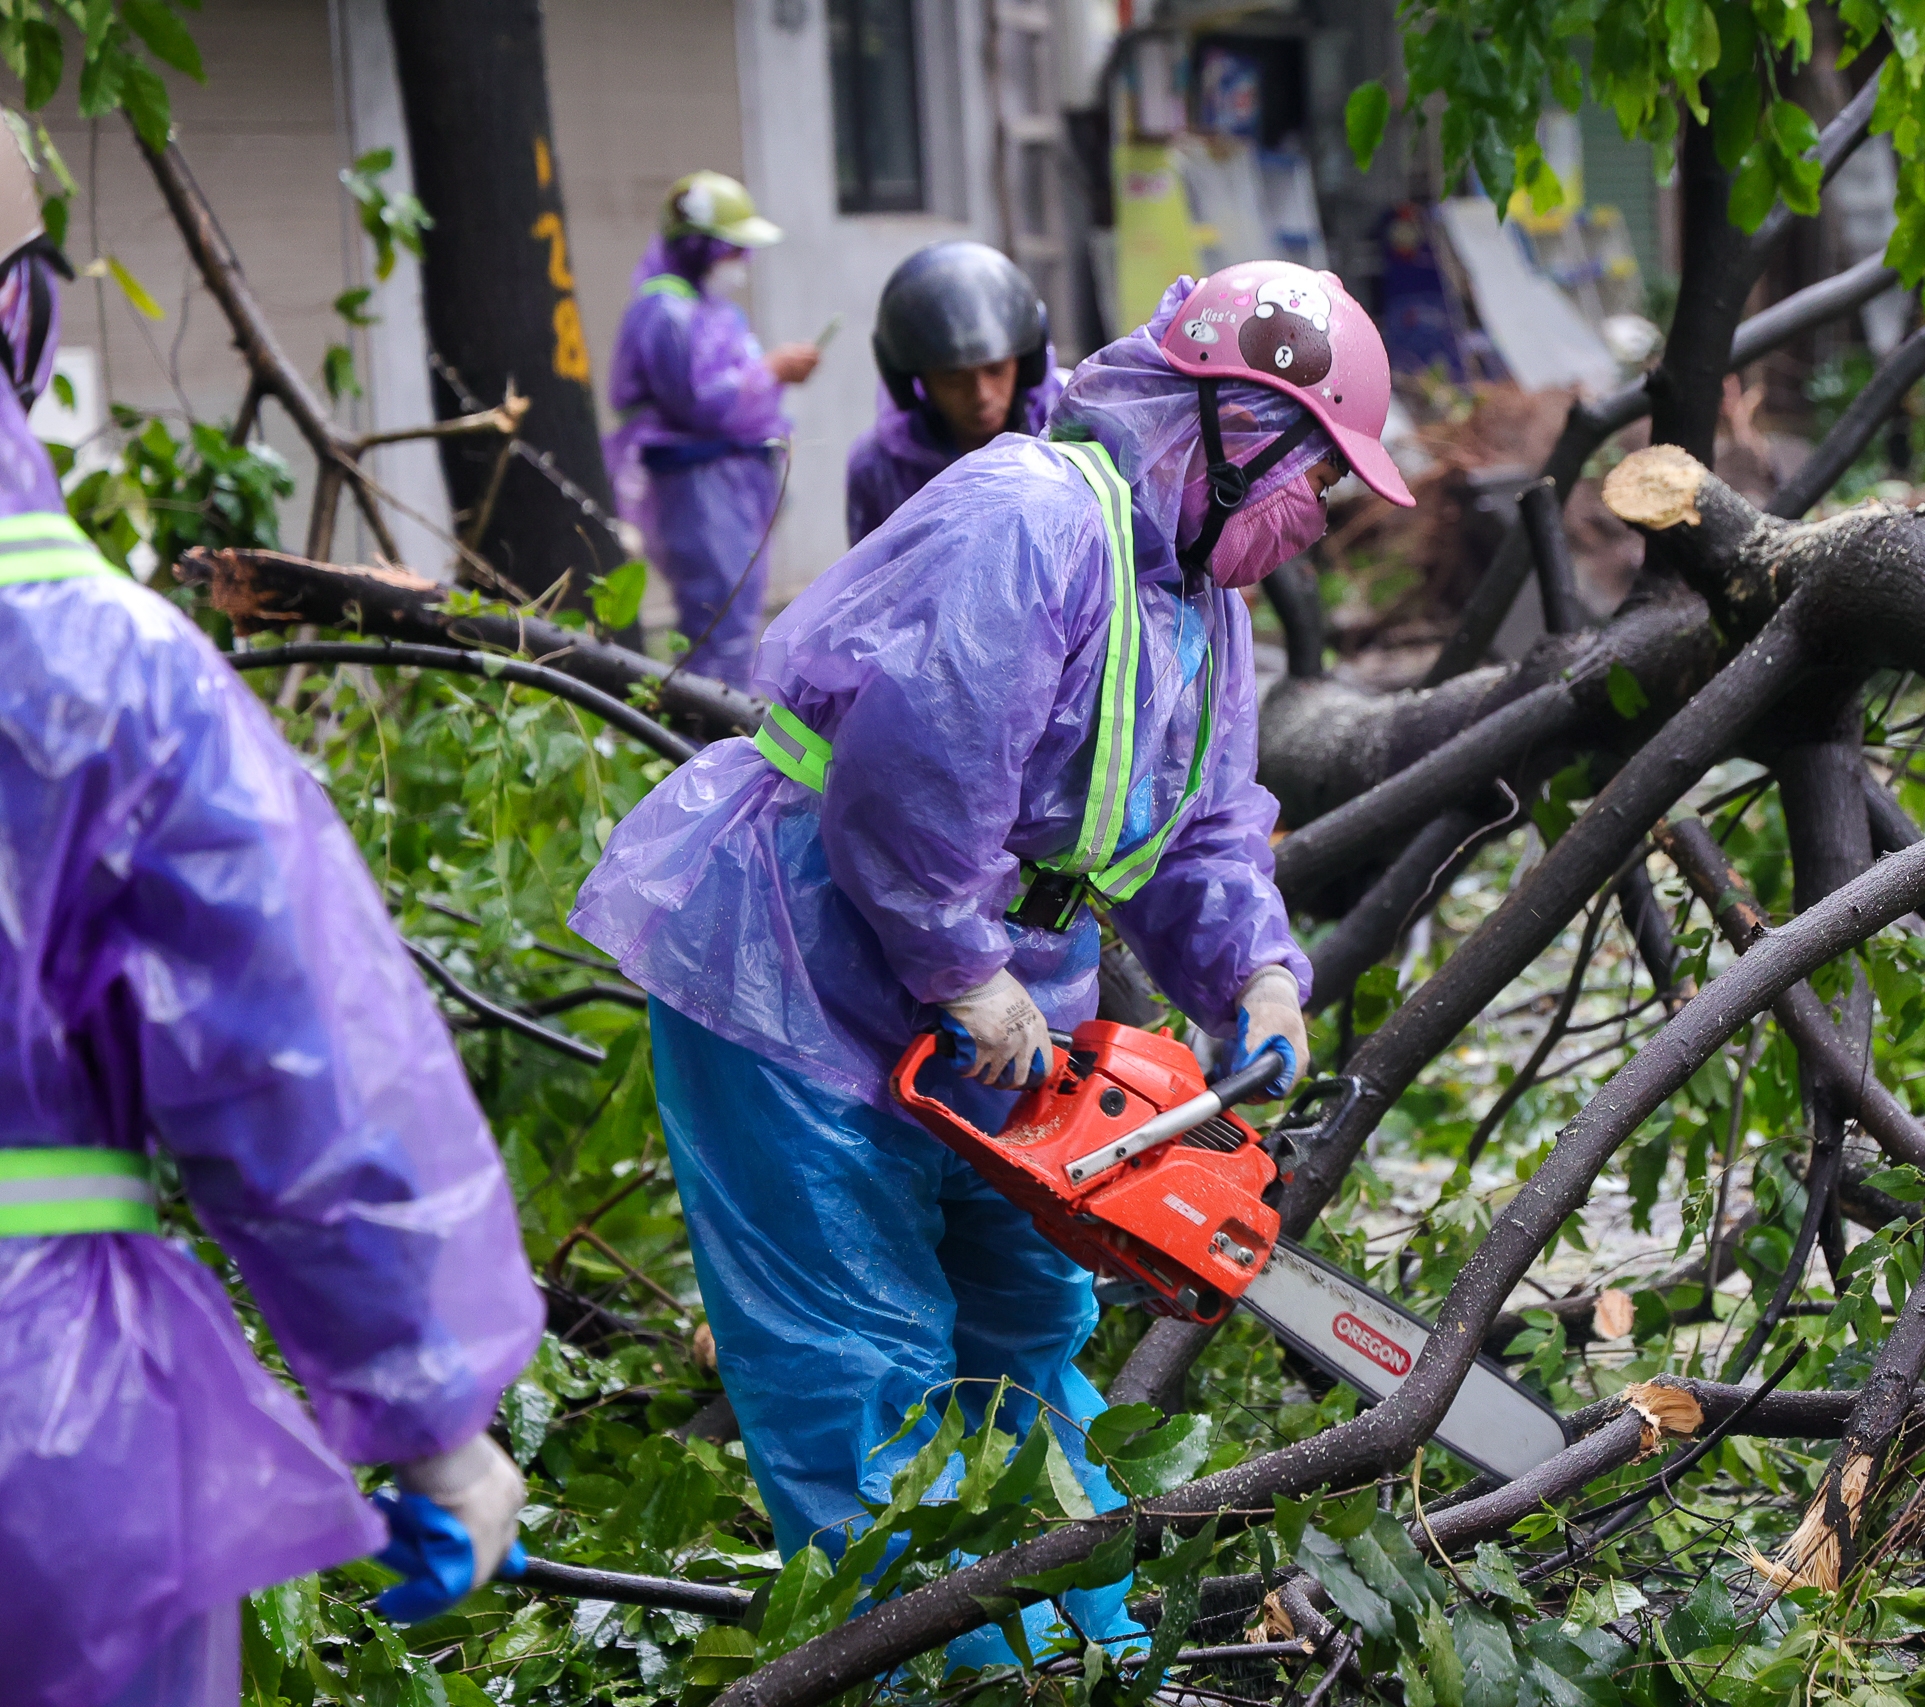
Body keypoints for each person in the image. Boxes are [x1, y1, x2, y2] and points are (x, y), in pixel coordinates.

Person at [573, 261, 1415, 1664]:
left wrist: (1253, 977)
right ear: (1232, 424)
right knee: (864, 1379)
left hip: (998, 1004)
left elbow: (1203, 824)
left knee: (1027, 1332)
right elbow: (920, 761)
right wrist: (957, 957)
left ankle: (1084, 1658)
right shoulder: (1032, 517)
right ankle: (936, 1679)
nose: (1311, 517)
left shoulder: (1200, 603)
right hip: (805, 973)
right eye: (1314, 473)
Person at [0, 136, 542, 1706]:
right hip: (43, 1438)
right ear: (22, 316)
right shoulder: (105, 674)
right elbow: (296, 1058)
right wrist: (429, 1418)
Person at [607, 171, 823, 687]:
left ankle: (718, 737)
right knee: (716, 621)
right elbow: (696, 403)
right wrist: (770, 371)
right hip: (698, 487)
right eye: (732, 249)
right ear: (699, 247)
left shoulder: (703, 309)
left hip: (723, 484)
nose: (741, 263)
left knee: (735, 617)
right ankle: (700, 748)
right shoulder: (665, 312)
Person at [842, 240, 1062, 548]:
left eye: (996, 370)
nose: (981, 394)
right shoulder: (880, 469)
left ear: (1026, 363)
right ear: (914, 380)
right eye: (952, 379)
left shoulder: (1075, 425)